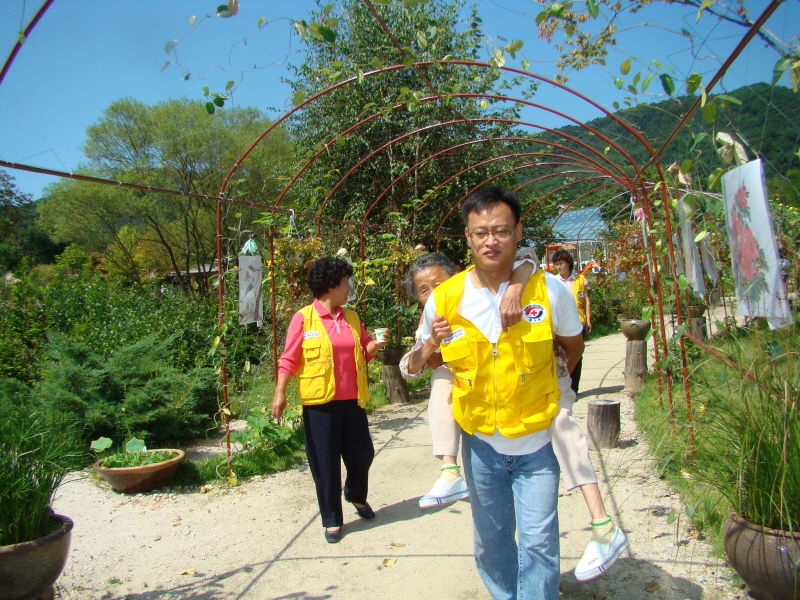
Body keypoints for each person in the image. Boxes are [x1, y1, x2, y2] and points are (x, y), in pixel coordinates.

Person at [416, 187, 625, 599]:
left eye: (501, 231)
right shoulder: (445, 297)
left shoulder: (550, 291)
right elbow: (428, 358)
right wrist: (428, 349)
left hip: (537, 446)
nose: (490, 241)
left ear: (518, 232)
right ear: (468, 237)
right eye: (481, 233)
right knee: (491, 544)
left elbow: (573, 344)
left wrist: (554, 381)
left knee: (538, 544)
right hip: (481, 447)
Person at [399, 252, 534, 508]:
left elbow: (526, 254)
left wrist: (516, 288)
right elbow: (408, 367)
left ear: (458, 274)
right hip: (470, 390)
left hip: (512, 383)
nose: (431, 294)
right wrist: (430, 344)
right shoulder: (433, 318)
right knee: (442, 375)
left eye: (438, 284)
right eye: (423, 290)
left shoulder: (485, 290)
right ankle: (449, 472)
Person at [271, 256, 388, 544]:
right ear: (331, 285)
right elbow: (289, 358)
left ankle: (355, 495)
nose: (349, 288)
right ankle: (332, 519)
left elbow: (363, 350)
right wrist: (280, 392)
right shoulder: (304, 318)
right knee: (325, 464)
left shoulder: (351, 317)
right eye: (346, 283)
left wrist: (375, 345)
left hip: (353, 401)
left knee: (363, 455)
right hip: (320, 404)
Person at [552, 248, 591, 395]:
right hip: (560, 323)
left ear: (568, 264)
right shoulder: (553, 281)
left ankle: (574, 388)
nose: (559, 267)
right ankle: (561, 386)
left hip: (578, 321)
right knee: (560, 355)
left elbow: (586, 300)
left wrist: (588, 319)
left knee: (577, 355)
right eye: (556, 264)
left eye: (561, 263)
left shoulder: (580, 280)